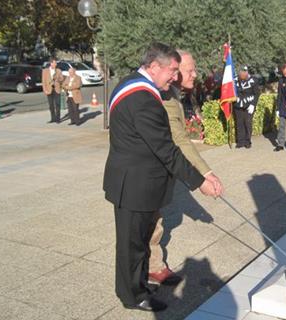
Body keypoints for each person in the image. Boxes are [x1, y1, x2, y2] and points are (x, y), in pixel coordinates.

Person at [102, 43, 221, 312]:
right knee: (132, 245)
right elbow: (167, 149)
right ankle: (132, 296)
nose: (174, 77)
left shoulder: (132, 82)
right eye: (172, 70)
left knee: (139, 242)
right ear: (154, 66)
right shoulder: (143, 99)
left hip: (137, 181)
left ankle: (140, 284)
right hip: (134, 185)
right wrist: (199, 181)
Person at [149, 50, 222, 286]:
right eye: (190, 70)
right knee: (150, 221)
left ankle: (150, 264)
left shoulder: (173, 93)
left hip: (160, 168)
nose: (195, 74)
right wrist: (205, 175)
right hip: (148, 172)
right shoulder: (166, 99)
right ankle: (151, 267)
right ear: (175, 73)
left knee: (154, 218)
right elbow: (179, 140)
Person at [234, 65, 259, 149]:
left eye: (243, 77)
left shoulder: (254, 81)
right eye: (240, 76)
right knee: (239, 123)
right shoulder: (235, 80)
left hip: (249, 105)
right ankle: (240, 141)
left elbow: (257, 94)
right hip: (238, 105)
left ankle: (247, 141)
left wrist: (253, 105)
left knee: (247, 123)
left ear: (246, 73)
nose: (242, 78)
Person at [42, 58, 64, 123]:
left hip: (57, 89)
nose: (56, 64)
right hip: (49, 90)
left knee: (57, 104)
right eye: (55, 63)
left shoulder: (58, 70)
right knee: (51, 105)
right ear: (51, 63)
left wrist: (58, 79)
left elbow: (62, 79)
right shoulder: (45, 71)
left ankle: (58, 119)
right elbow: (43, 81)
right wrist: (45, 90)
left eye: (56, 63)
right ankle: (52, 118)